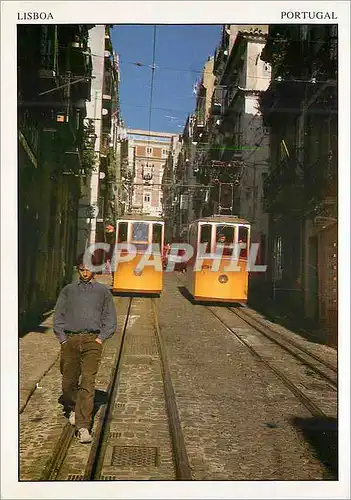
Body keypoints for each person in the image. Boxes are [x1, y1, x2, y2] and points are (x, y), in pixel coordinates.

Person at [53, 253, 117, 443]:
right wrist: (63, 340)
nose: (85, 273)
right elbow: (58, 316)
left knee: (88, 383)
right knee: (68, 382)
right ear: (78, 269)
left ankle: (83, 427)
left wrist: (100, 339)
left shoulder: (103, 292)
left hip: (92, 341)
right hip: (70, 341)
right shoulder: (68, 291)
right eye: (82, 269)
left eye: (88, 269)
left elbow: (110, 319)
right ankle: (73, 406)